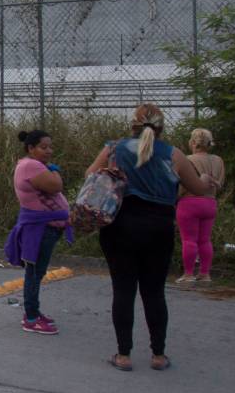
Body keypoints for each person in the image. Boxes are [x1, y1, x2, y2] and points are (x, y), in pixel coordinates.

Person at [85, 103, 216, 371]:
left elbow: (90, 175)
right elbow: (199, 189)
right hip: (159, 228)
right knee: (154, 292)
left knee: (123, 290)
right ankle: (158, 355)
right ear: (162, 127)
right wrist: (205, 178)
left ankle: (123, 355)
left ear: (132, 125)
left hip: (119, 226)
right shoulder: (174, 154)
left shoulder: (114, 148)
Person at [4, 129, 72, 335]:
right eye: (44, 147)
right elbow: (56, 185)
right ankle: (31, 318)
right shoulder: (31, 165)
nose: (49, 151)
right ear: (30, 148)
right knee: (34, 274)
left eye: (51, 146)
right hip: (40, 230)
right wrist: (53, 170)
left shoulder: (31, 165)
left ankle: (34, 312)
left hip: (45, 228)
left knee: (36, 272)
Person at [176, 128, 225, 284]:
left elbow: (181, 184)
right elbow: (221, 183)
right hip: (210, 202)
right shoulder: (218, 160)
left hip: (190, 202)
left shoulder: (187, 159)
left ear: (193, 142)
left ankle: (188, 274)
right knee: (205, 240)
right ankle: (205, 274)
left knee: (188, 240)